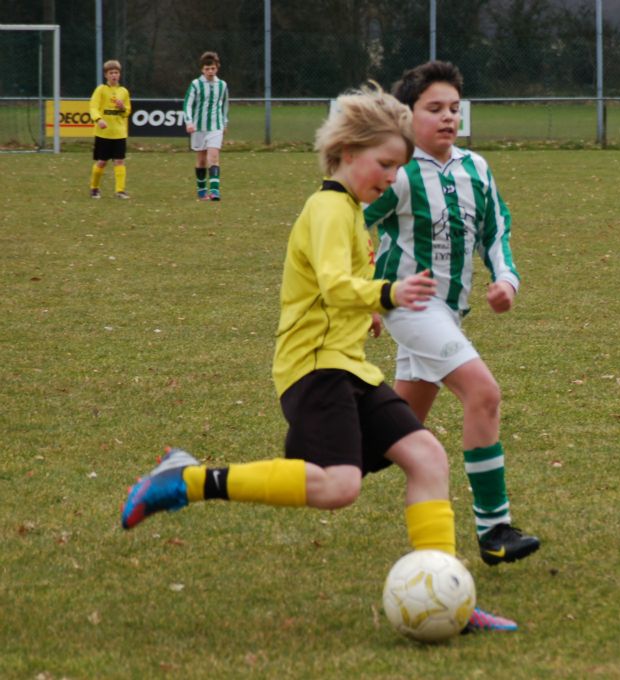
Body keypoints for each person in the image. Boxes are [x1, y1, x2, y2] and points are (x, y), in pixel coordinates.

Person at [121, 83, 516, 633]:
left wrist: (369, 308)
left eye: (399, 167)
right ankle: (187, 479)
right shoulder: (328, 208)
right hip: (314, 367)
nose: (393, 177)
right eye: (385, 164)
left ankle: (448, 594)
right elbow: (333, 285)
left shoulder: (350, 210)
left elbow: (343, 281)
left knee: (427, 457)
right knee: (339, 487)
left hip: (348, 365)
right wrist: (387, 294)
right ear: (348, 152)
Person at [365, 61, 540, 567]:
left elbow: (496, 231)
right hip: (413, 307)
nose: (448, 117)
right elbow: (350, 223)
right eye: (434, 108)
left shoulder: (476, 168)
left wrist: (505, 280)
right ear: (407, 116)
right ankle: (495, 529)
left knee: (388, 439)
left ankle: (304, 469)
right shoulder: (397, 173)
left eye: (454, 109)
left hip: (449, 313)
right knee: (483, 393)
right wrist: (367, 295)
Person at [183, 51, 229, 201]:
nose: (210, 71)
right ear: (202, 70)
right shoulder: (196, 85)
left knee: (213, 157)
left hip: (216, 127)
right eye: (207, 69)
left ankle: (215, 191)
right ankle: (202, 191)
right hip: (199, 128)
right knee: (201, 160)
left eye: (213, 68)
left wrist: (225, 123)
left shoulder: (222, 85)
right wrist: (189, 122)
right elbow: (187, 104)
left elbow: (225, 105)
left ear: (217, 68)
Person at [88, 60, 131, 199]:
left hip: (119, 133)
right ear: (106, 75)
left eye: (116, 73)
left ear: (119, 74)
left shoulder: (123, 92)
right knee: (102, 162)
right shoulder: (101, 90)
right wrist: (98, 119)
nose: (114, 75)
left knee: (120, 161)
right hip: (104, 134)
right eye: (111, 73)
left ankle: (120, 191)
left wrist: (122, 108)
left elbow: (127, 112)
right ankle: (94, 188)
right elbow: (93, 107)